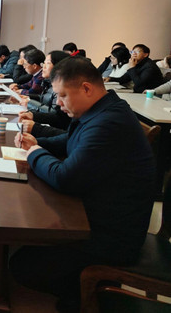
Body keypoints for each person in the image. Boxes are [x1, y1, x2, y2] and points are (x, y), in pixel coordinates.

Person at [10, 57, 155, 313]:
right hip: (97, 213)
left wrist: (34, 153)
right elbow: (71, 141)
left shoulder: (109, 123)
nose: (58, 103)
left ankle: (88, 295)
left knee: (21, 266)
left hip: (111, 236)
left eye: (62, 96)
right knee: (28, 243)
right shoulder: (104, 110)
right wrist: (38, 142)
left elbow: (65, 178)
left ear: (86, 88)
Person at [18, 50, 70, 138]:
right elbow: (44, 98)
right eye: (44, 63)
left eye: (47, 63)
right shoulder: (48, 82)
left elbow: (56, 116)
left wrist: (30, 103)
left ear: (59, 67)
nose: (43, 67)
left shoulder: (62, 87)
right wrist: (27, 97)